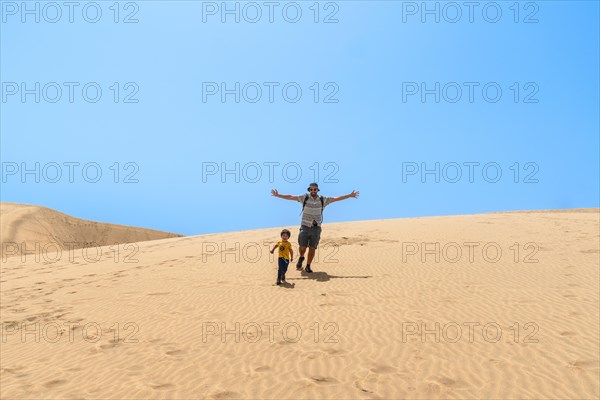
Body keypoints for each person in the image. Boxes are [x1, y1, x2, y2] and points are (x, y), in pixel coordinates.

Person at [271, 183, 359, 273]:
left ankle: (308, 266)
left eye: (315, 189)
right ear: (309, 190)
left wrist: (349, 195)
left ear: (317, 190)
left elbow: (336, 199)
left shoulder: (322, 200)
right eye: (311, 189)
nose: (313, 191)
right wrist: (278, 195)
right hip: (305, 226)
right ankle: (301, 257)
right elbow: (291, 197)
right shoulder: (304, 198)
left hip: (316, 228)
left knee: (312, 248)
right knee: (302, 246)